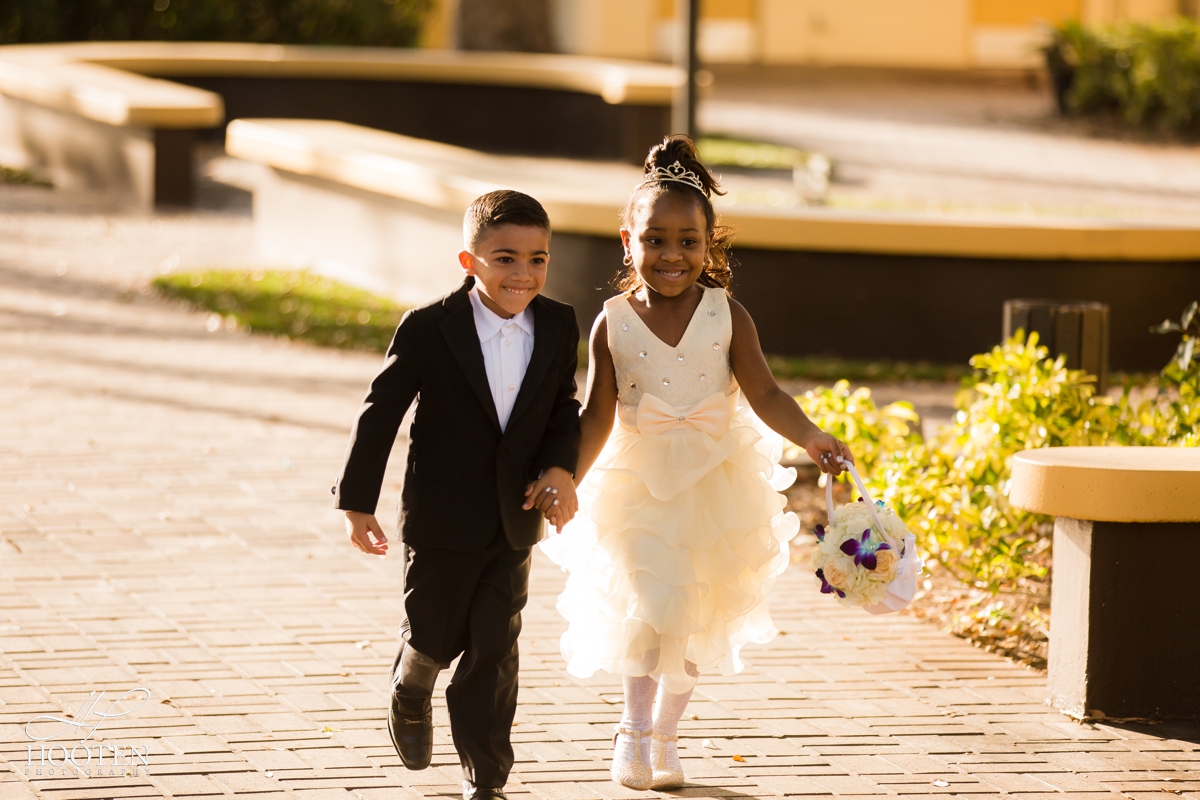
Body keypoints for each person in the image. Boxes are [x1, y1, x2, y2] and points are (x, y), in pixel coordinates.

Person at [540, 136, 853, 790]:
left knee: (695, 612)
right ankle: (631, 728)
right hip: (638, 484)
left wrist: (811, 435)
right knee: (646, 607)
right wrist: (568, 472)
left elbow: (764, 392)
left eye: (688, 241)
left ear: (711, 244)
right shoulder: (612, 322)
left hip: (714, 485)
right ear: (628, 240)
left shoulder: (727, 315)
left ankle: (667, 734)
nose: (672, 255)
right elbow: (596, 413)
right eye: (655, 240)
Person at [333, 190, 582, 800]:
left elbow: (562, 410)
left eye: (537, 259)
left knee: (495, 647)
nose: (523, 273)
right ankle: (412, 686)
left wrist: (560, 469)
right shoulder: (428, 327)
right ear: (469, 261)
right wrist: (356, 502)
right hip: (441, 516)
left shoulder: (557, 323)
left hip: (514, 517)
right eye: (505, 258)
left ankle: (487, 777)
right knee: (433, 633)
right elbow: (380, 411)